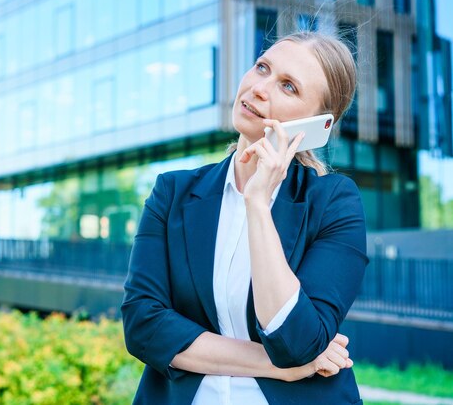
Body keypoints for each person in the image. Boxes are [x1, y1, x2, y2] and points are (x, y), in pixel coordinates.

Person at [121, 31, 368, 405]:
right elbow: (142, 324)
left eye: (288, 86)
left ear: (319, 125)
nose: (259, 88)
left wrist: (256, 204)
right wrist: (273, 364)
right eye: (262, 68)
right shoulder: (172, 193)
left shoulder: (334, 202)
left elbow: (297, 340)